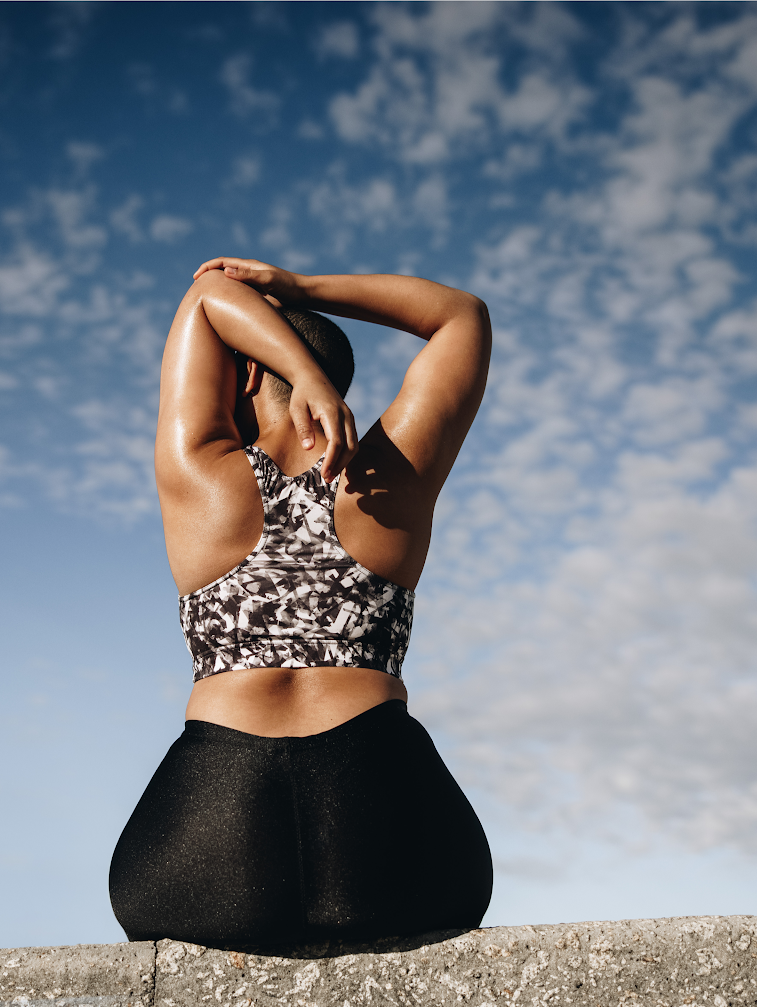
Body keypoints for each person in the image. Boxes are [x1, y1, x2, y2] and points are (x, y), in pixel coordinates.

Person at [108, 256, 493, 950]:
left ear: (248, 371)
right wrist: (302, 289)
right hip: (395, 843)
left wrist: (298, 365)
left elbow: (207, 293)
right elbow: (461, 315)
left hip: (209, 847)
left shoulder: (201, 470)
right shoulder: (388, 475)